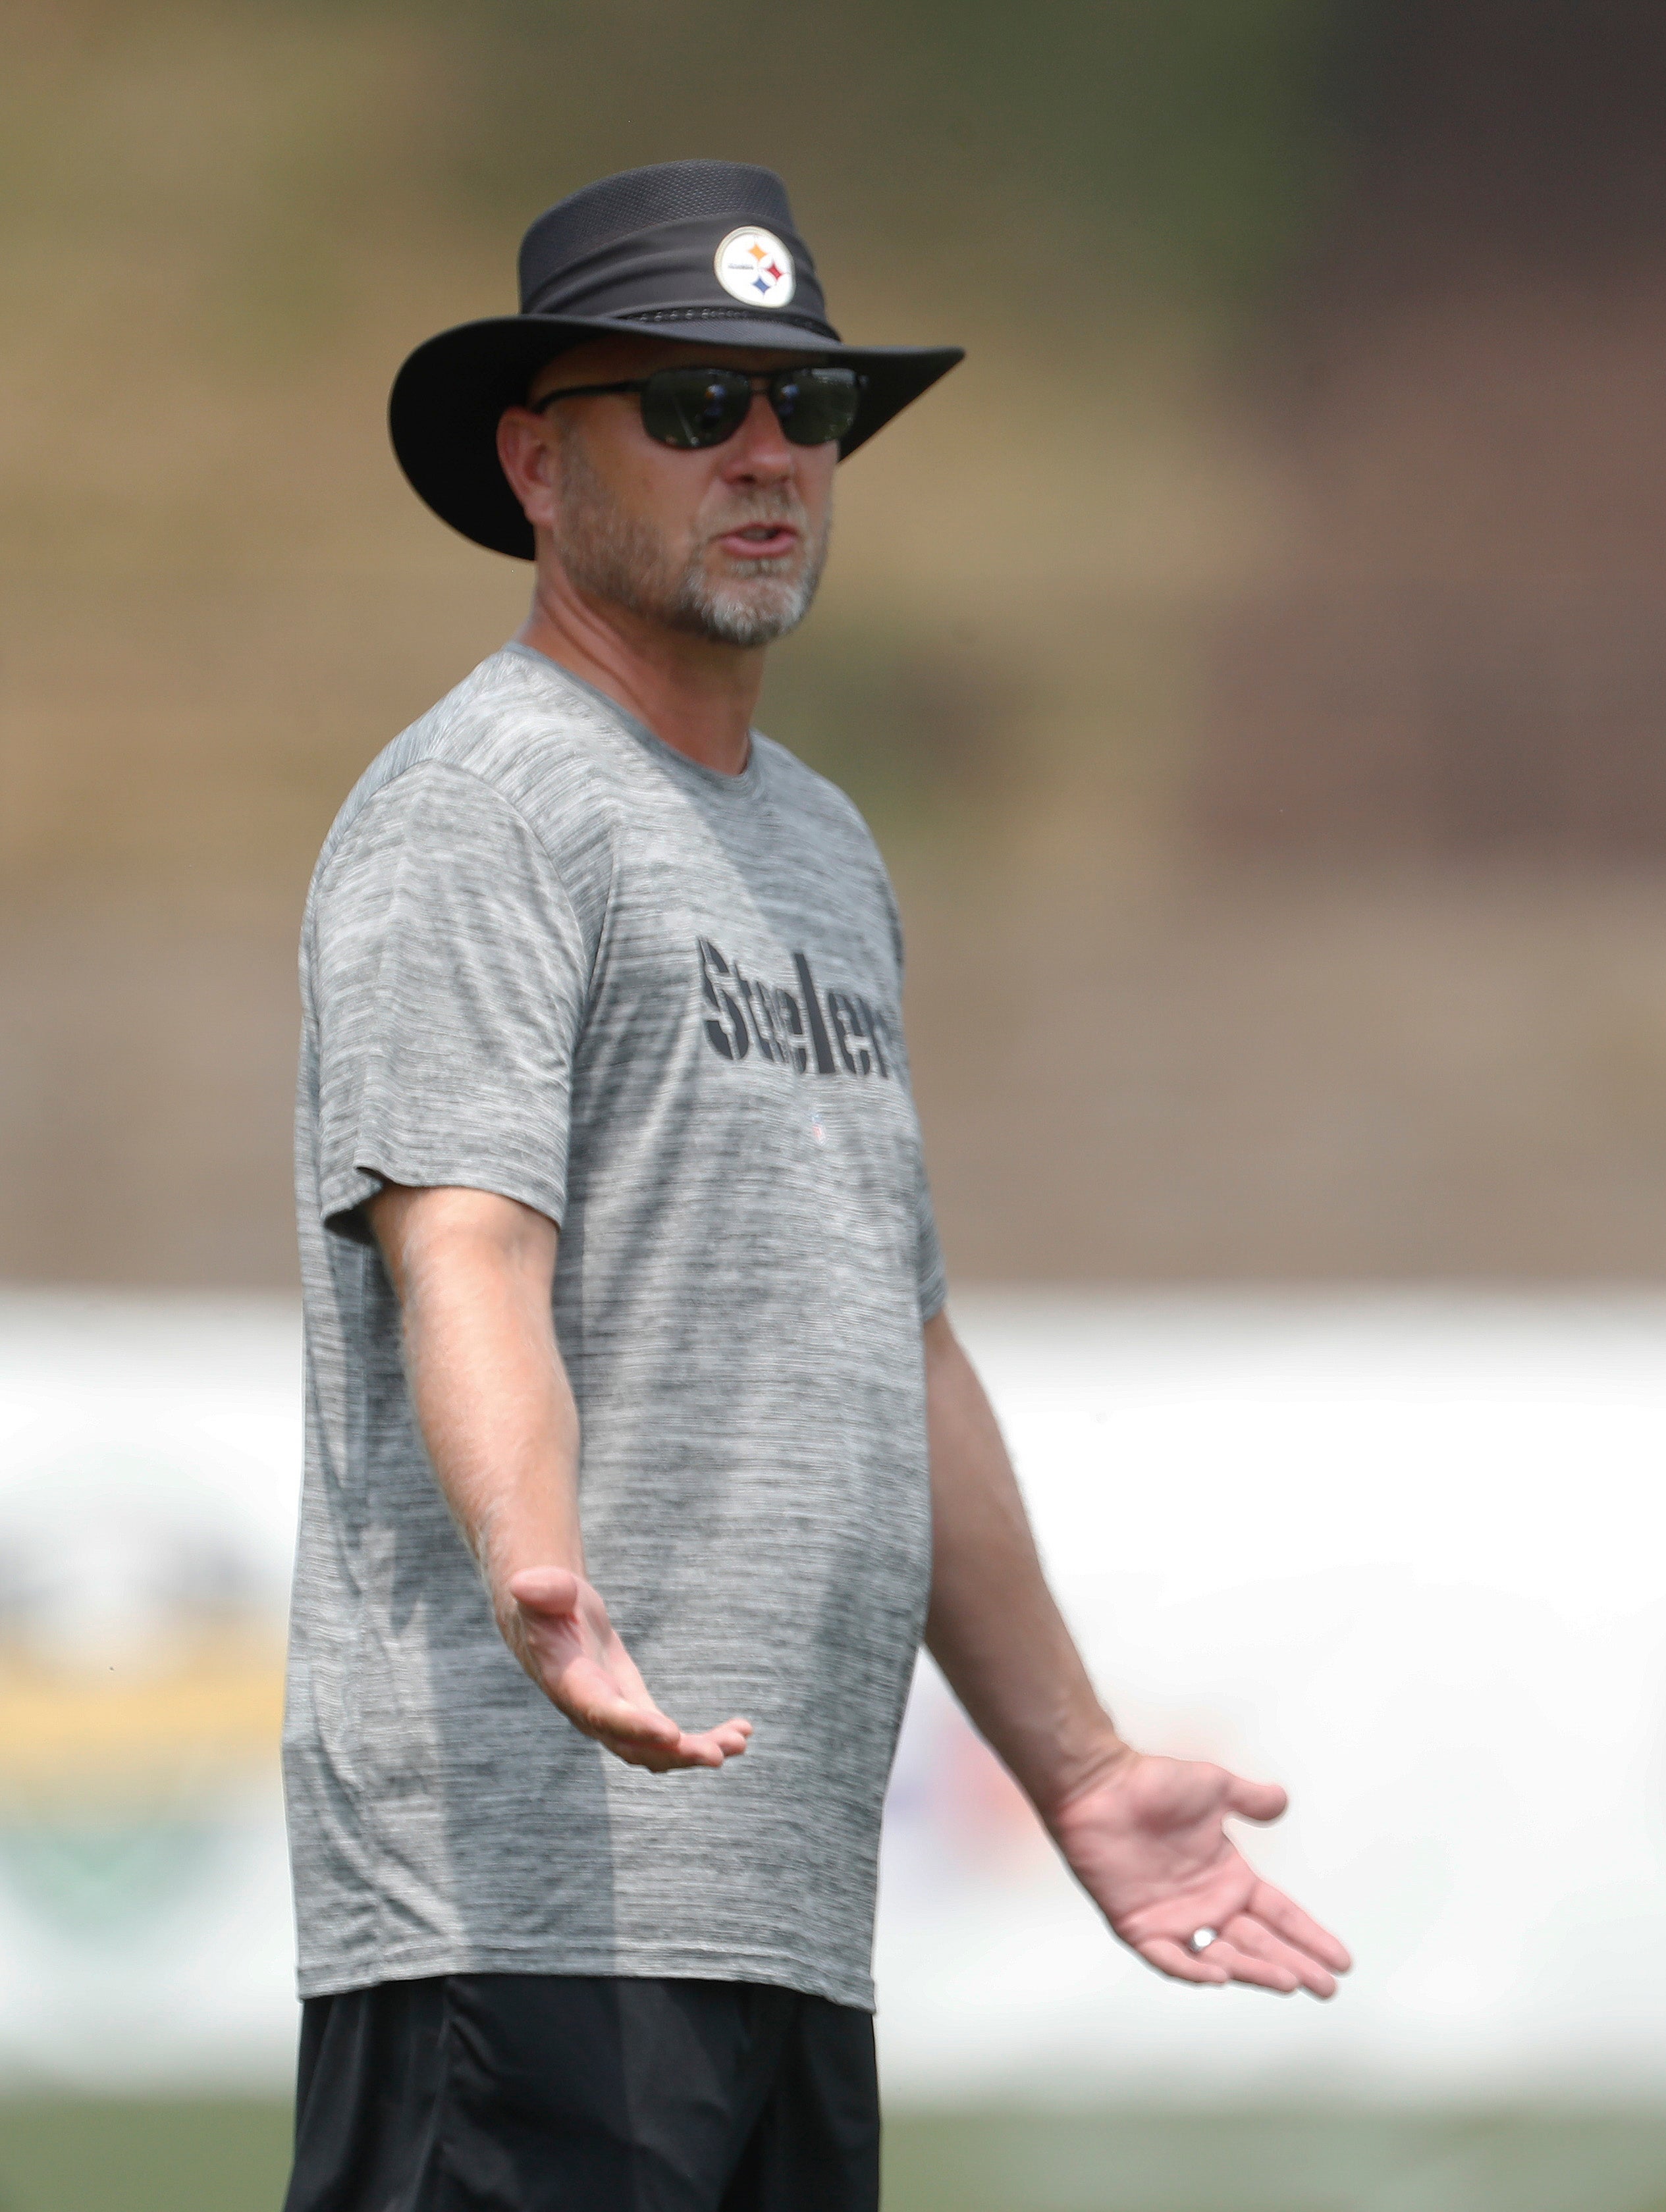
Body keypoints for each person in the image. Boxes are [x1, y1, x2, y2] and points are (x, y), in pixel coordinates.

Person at [285, 161, 1349, 2212]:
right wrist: (538, 1564)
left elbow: (898, 1333)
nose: (767, 457)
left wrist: (1082, 1766)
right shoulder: (475, 809)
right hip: (530, 1899)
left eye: (810, 410)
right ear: (534, 462)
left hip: (776, 1907)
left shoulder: (824, 848)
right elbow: (466, 1244)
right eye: (692, 411)